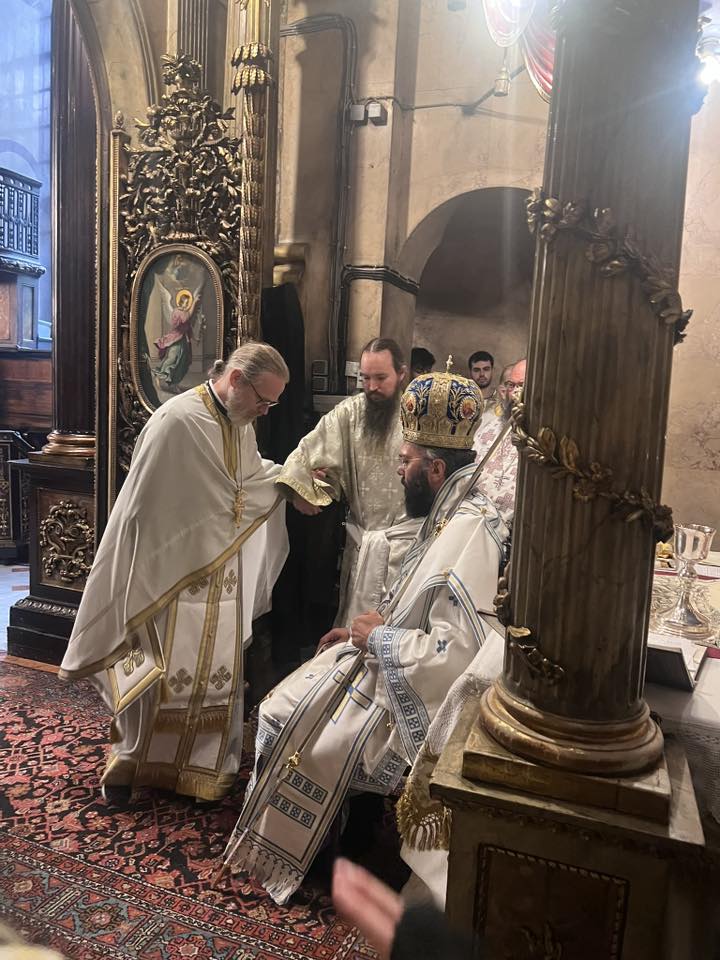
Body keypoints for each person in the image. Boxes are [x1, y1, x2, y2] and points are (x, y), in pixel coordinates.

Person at [222, 367, 507, 904]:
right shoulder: (450, 510)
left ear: (435, 467)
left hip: (414, 686)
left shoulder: (469, 529)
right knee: (289, 697)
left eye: (405, 461)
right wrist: (361, 629)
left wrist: (377, 641)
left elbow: (455, 651)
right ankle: (337, 835)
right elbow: (415, 602)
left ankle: (331, 850)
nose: (399, 471)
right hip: (391, 660)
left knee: (287, 715)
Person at [59, 342, 291, 802]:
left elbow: (245, 482)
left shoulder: (239, 423)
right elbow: (143, 509)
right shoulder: (176, 421)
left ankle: (202, 769)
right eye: (263, 400)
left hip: (219, 576)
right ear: (237, 380)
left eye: (272, 404)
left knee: (212, 677)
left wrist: (290, 480)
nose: (264, 411)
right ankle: (132, 763)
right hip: (168, 577)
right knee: (159, 674)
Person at [277, 337, 408, 625]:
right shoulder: (350, 413)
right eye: (366, 378)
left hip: (407, 548)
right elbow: (308, 452)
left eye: (381, 378)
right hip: (362, 543)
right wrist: (305, 487)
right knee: (354, 629)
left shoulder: (417, 413)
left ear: (401, 374)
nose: (371, 387)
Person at [472, 357, 526, 525]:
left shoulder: (542, 438)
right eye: (511, 385)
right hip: (477, 522)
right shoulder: (488, 430)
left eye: (522, 385)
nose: (515, 393)